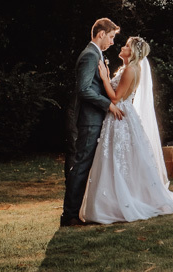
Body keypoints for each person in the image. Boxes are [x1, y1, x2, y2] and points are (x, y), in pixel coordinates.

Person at [80, 36, 173, 224]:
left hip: (120, 116)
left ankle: (121, 203)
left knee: (117, 158)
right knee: (119, 159)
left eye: (126, 46)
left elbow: (115, 98)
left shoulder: (131, 69)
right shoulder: (127, 68)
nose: (122, 47)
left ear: (132, 52)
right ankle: (112, 201)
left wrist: (105, 78)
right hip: (119, 115)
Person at [61, 18, 124, 228]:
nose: (113, 41)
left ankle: (77, 211)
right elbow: (84, 89)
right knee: (81, 166)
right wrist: (109, 105)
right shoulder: (90, 55)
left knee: (85, 166)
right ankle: (69, 215)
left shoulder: (97, 54)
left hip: (94, 120)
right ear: (101, 34)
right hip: (89, 121)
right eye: (112, 36)